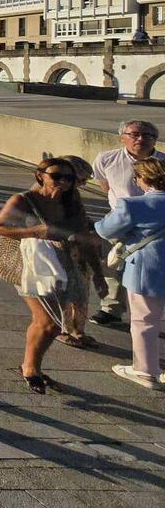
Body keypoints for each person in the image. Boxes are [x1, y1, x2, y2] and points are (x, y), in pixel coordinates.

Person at [0, 159, 105, 394]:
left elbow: (85, 239)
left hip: (62, 268)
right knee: (48, 321)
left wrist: (98, 275)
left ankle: (31, 365)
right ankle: (31, 369)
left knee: (50, 323)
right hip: (30, 267)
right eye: (56, 176)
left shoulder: (72, 202)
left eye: (69, 178)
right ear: (40, 175)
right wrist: (34, 231)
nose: (63, 182)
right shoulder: (23, 200)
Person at [95, 156, 165, 390]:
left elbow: (106, 230)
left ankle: (145, 371)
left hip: (148, 270)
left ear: (144, 178)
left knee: (145, 320)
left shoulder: (134, 205)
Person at [90, 120, 165, 328]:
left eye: (147, 135)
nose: (140, 139)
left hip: (154, 221)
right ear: (122, 137)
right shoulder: (106, 159)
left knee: (152, 264)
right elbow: (105, 186)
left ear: (155, 140)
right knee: (113, 263)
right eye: (134, 134)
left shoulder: (163, 161)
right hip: (120, 217)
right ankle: (111, 308)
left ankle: (149, 310)